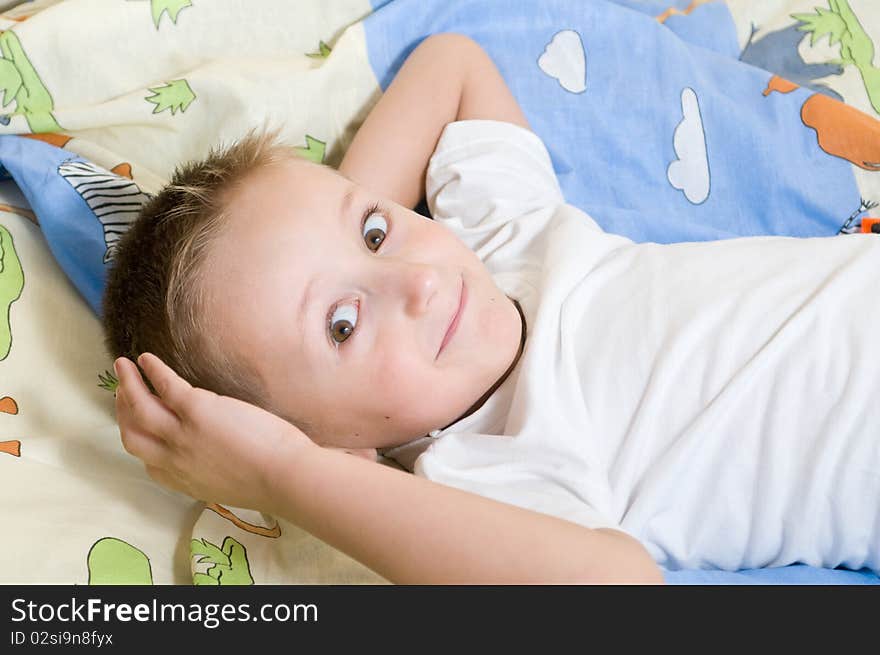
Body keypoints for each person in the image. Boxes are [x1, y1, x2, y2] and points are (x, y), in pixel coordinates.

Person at [105, 33, 879, 584]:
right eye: (343, 325)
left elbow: (452, 64)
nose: (419, 281)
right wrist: (286, 470)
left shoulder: (504, 237)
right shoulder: (480, 475)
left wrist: (348, 227)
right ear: (335, 452)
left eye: (376, 230)